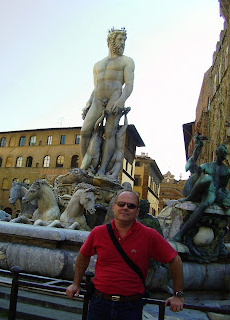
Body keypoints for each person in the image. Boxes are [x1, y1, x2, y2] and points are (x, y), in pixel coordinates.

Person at [66, 190, 184, 319]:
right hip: (99, 303)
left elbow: (175, 260)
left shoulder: (149, 235)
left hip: (130, 306)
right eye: (121, 204)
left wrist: (178, 294)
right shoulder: (98, 232)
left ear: (137, 211)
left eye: (131, 206)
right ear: (113, 207)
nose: (125, 208)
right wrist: (76, 283)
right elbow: (83, 255)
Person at [80, 28, 135, 176]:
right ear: (110, 41)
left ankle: (103, 169)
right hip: (97, 99)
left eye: (124, 40)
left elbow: (129, 85)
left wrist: (121, 100)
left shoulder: (127, 61)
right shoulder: (98, 65)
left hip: (115, 98)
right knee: (85, 131)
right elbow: (95, 87)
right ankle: (85, 166)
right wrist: (88, 103)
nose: (123, 43)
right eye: (119, 39)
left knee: (109, 133)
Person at [174, 144, 230, 242]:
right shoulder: (206, 166)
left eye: (224, 154)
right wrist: (197, 149)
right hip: (204, 189)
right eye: (221, 154)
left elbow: (223, 188)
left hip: (214, 193)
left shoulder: (226, 171)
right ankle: (189, 197)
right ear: (217, 154)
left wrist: (226, 199)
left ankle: (181, 233)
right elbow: (192, 169)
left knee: (204, 205)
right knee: (207, 178)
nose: (223, 156)